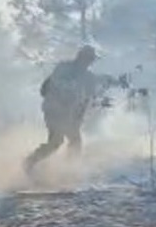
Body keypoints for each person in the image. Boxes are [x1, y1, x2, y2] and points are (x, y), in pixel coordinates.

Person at [24, 44, 111, 175]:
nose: (90, 62)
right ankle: (32, 163)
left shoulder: (87, 76)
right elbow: (58, 85)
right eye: (89, 59)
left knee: (70, 142)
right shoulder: (64, 68)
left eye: (92, 60)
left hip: (67, 113)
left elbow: (91, 95)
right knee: (58, 141)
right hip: (55, 110)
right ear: (82, 58)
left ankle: (67, 170)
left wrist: (101, 95)